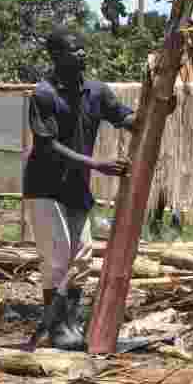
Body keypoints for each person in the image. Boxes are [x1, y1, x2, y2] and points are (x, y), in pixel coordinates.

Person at [22, 26, 136, 351]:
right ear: (56, 56)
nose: (82, 54)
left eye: (83, 48)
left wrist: (154, 110)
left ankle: (69, 324)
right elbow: (47, 145)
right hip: (44, 188)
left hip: (76, 187)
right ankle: (57, 328)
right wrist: (96, 165)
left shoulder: (96, 92)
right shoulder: (44, 95)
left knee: (82, 258)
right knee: (57, 259)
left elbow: (123, 116)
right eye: (74, 50)